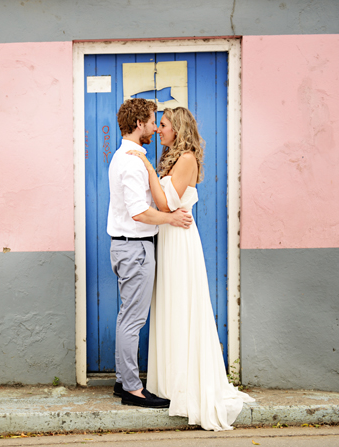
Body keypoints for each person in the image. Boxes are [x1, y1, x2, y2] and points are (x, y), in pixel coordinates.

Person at [127, 107, 254, 430]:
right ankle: (169, 381)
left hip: (179, 239)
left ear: (178, 129)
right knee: (169, 306)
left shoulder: (186, 159)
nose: (159, 130)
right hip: (168, 235)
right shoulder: (173, 157)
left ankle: (184, 381)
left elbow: (167, 205)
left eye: (164, 125)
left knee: (181, 304)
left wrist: (145, 166)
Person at [108, 98, 193, 408]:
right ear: (139, 124)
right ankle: (132, 389)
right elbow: (139, 213)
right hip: (134, 248)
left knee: (126, 317)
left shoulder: (130, 157)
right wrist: (171, 218)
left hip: (130, 247)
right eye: (152, 121)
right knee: (133, 320)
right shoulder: (130, 161)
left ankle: (122, 381)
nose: (156, 127)